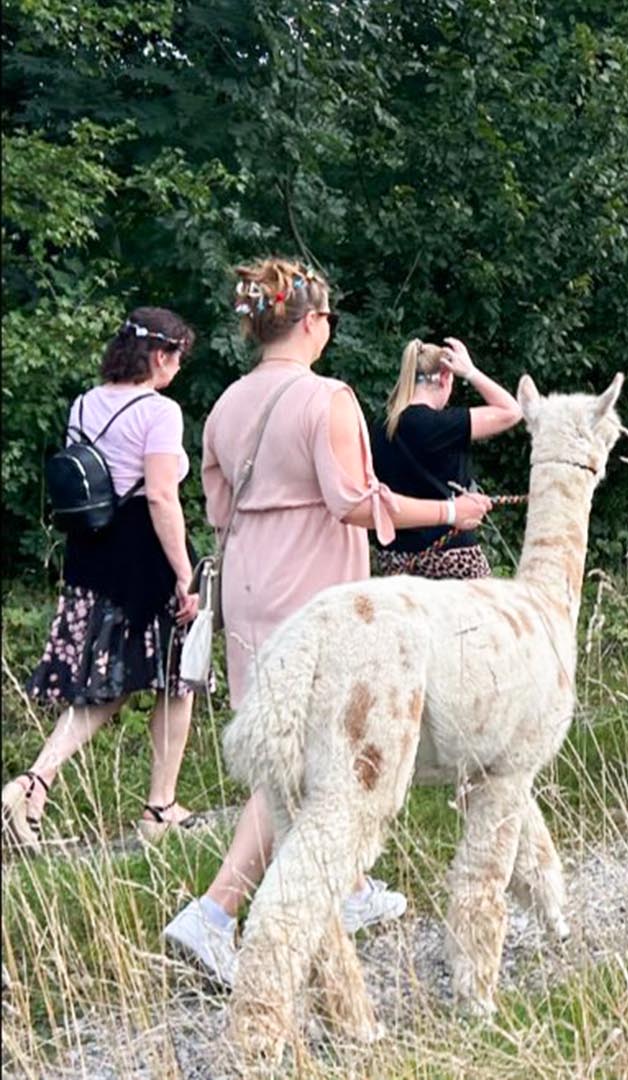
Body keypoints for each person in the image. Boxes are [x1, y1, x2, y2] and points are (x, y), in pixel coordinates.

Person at [161, 257, 493, 984]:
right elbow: (351, 499)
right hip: (311, 587)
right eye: (329, 320)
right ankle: (215, 912)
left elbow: (217, 508)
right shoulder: (329, 398)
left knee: (293, 753)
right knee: (298, 755)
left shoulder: (224, 405)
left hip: (248, 579)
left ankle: (341, 892)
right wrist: (449, 511)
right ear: (311, 323)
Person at [4, 310, 203, 850]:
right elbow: (161, 495)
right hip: (144, 550)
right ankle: (159, 805)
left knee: (108, 682)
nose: (179, 368)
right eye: (178, 356)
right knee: (175, 673)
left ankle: (33, 785)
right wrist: (186, 573)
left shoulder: (84, 403)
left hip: (92, 548)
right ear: (160, 355)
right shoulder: (160, 412)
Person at [370, 337, 524, 578]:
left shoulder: (380, 426)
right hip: (452, 556)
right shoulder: (444, 424)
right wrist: (471, 372)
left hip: (395, 561)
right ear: (444, 378)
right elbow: (512, 411)